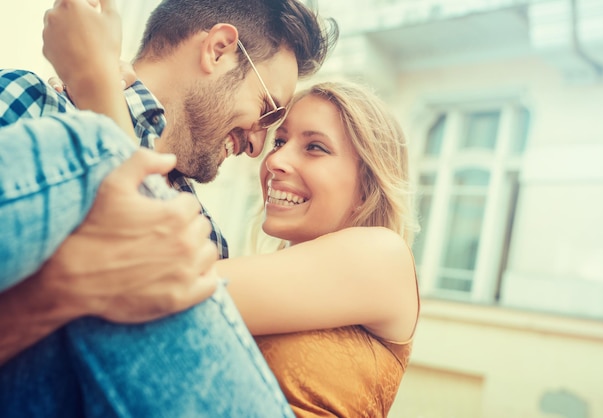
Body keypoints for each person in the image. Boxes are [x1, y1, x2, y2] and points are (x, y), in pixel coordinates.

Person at [0, 0, 336, 416]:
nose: (257, 148)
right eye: (268, 112)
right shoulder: (30, 103)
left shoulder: (204, 237)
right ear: (218, 49)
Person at [207, 81, 421, 417]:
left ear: (367, 185)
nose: (275, 159)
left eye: (315, 147)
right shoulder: (269, 275)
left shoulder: (382, 254)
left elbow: (176, 290)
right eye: (279, 141)